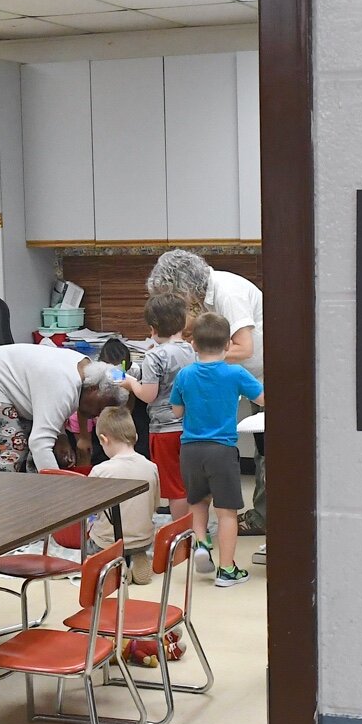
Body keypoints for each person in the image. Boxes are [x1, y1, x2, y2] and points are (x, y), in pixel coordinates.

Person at [147, 250, 266, 533]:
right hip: (249, 379)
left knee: (268, 452)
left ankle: (265, 517)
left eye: (175, 297)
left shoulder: (228, 292)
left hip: (265, 376)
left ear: (183, 286)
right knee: (262, 452)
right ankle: (261, 516)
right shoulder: (207, 297)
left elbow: (245, 348)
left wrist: (194, 357)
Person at [170, 312, 263, 588]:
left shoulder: (185, 374)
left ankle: (201, 543)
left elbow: (176, 410)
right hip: (221, 450)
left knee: (198, 502)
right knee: (227, 512)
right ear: (227, 346)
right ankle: (226, 570)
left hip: (190, 449)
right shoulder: (235, 372)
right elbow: (263, 398)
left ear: (194, 345)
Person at [0, 341, 128, 473]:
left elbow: (50, 406)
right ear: (93, 389)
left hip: (13, 380)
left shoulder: (89, 373)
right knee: (14, 449)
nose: (97, 415)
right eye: (100, 408)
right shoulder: (64, 387)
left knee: (34, 455)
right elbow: (40, 442)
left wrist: (61, 437)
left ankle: (29, 503)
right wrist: (58, 494)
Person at [126, 291, 195, 521]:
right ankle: (197, 527)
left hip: (165, 430)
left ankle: (181, 530)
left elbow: (148, 395)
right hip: (192, 427)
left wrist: (131, 384)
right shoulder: (191, 350)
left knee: (175, 487)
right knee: (190, 481)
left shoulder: (154, 356)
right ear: (183, 322)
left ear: (153, 328)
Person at [86, 406, 160, 586]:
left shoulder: (100, 470)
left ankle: (115, 565)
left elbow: (88, 508)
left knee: (90, 541)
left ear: (104, 439)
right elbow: (155, 505)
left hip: (108, 543)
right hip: (143, 540)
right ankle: (136, 556)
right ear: (135, 437)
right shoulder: (151, 467)